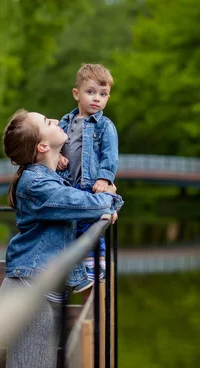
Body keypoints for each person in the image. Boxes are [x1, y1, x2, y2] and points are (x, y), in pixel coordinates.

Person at [0, 108, 123, 368]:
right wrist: (108, 201)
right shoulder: (36, 183)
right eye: (47, 122)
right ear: (42, 146)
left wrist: (102, 200)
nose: (56, 120)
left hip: (42, 291)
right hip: (30, 291)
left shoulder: (53, 176)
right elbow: (82, 203)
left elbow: (85, 199)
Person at [57, 63, 119, 295]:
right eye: (90, 92)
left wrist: (105, 178)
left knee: (90, 225)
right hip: (68, 185)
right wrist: (58, 159)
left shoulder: (104, 126)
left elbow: (110, 156)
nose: (97, 99)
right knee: (71, 228)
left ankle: (97, 265)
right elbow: (59, 147)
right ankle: (76, 271)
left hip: (90, 185)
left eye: (102, 94)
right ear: (76, 94)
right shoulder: (66, 122)